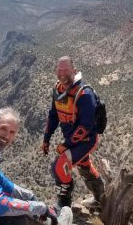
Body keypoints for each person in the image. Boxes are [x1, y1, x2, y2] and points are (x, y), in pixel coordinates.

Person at [41, 56, 104, 210]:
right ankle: (101, 200)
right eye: (59, 70)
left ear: (74, 71)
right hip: (73, 140)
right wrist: (46, 139)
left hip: (87, 140)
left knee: (59, 166)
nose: (62, 74)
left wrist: (66, 144)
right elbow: (53, 115)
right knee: (85, 167)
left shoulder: (84, 94)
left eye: (66, 70)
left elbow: (86, 125)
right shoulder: (57, 90)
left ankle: (64, 207)